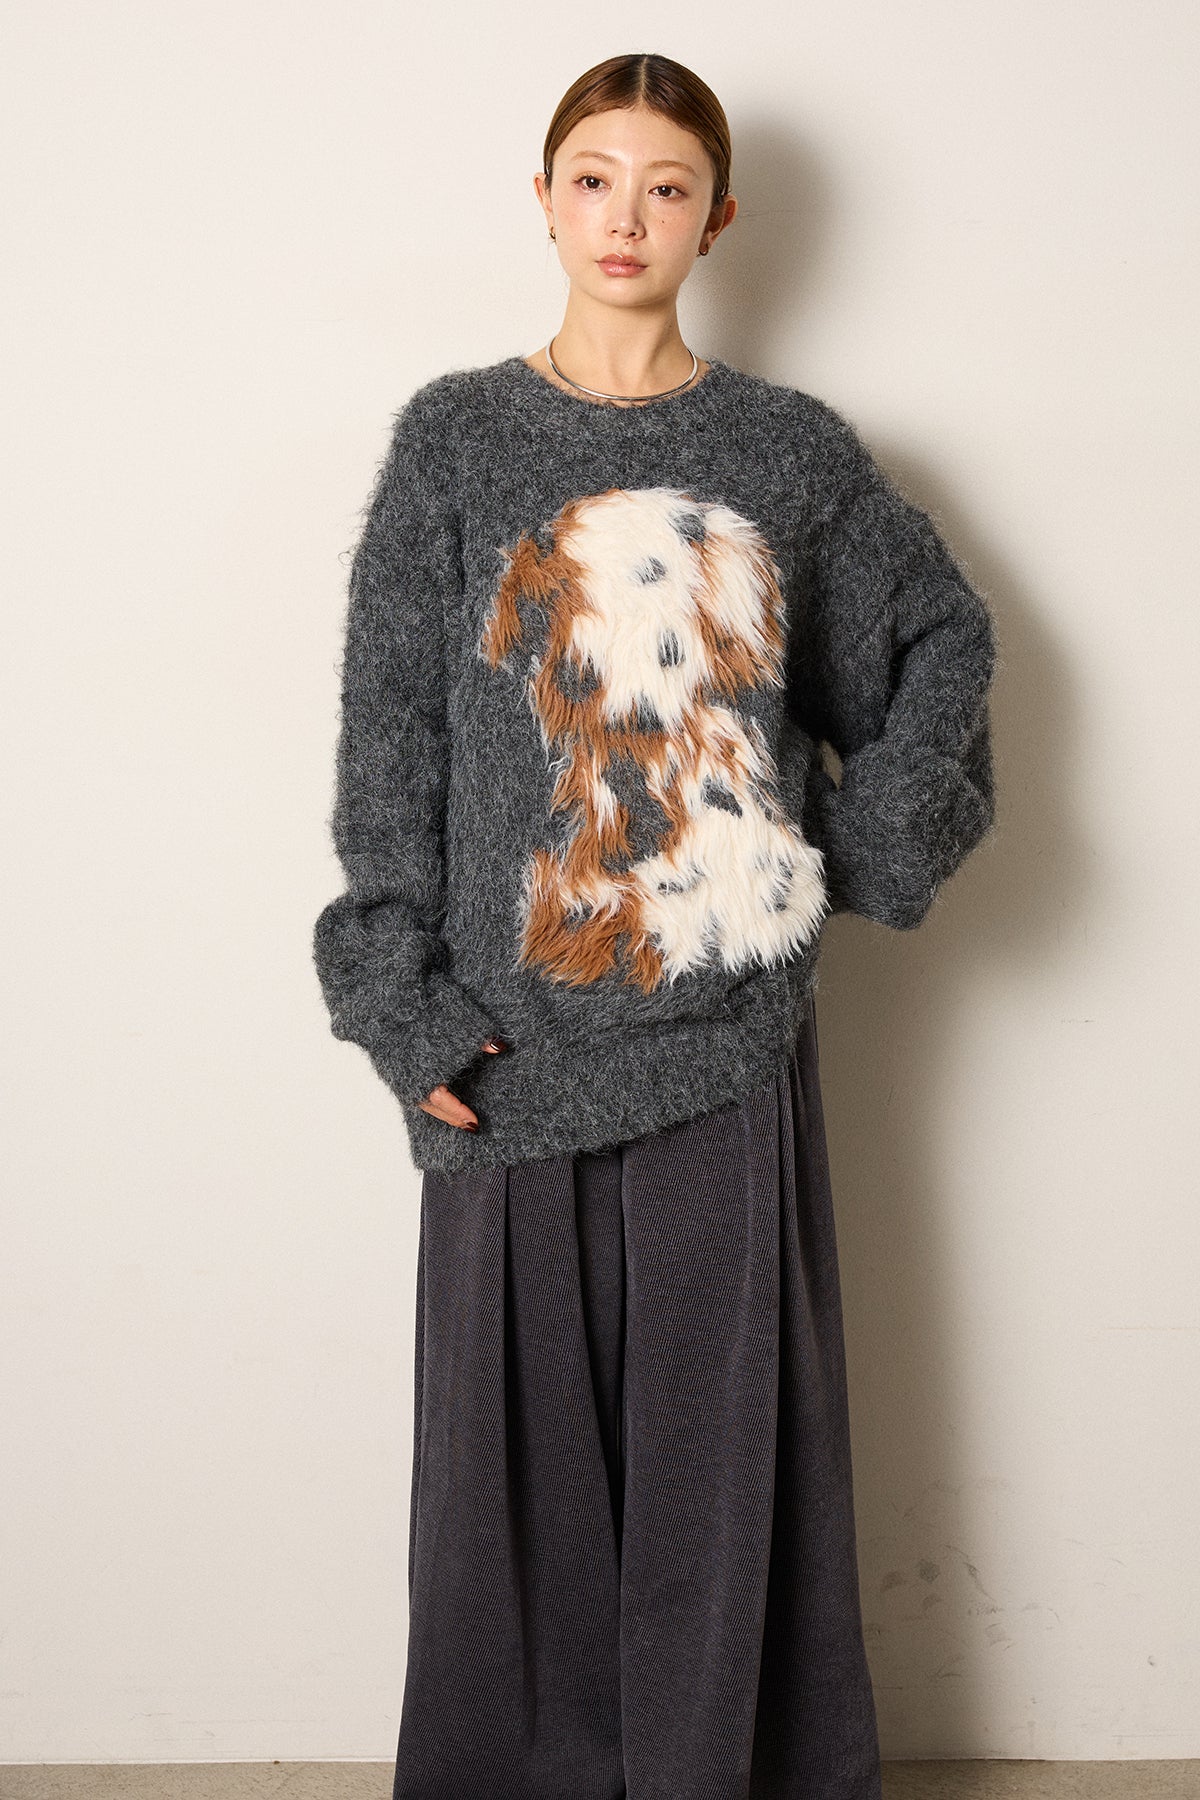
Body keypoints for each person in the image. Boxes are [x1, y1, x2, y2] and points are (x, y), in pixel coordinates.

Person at [312, 51, 997, 1800]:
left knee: (718, 1455)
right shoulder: (457, 441)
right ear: (543, 200)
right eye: (596, 179)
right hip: (503, 1037)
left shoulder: (787, 454)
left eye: (668, 185)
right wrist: (399, 1001)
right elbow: (392, 739)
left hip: (723, 1033)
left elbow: (938, 645)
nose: (629, 216)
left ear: (719, 216)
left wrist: (850, 841)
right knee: (509, 1485)